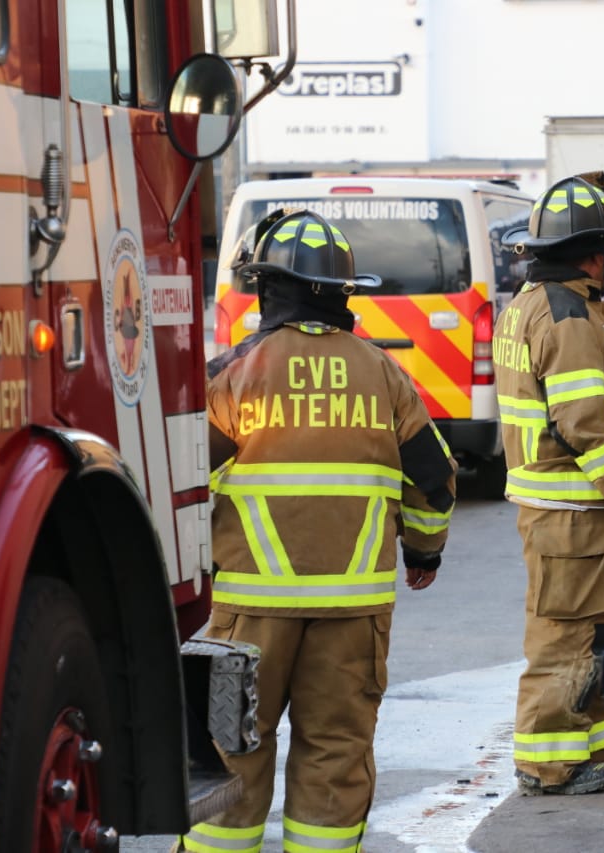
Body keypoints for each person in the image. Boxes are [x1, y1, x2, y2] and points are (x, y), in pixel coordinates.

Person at [181, 209, 458, 852]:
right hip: (352, 611)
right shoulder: (383, 373)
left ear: (266, 288)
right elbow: (434, 481)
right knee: (335, 754)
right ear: (343, 292)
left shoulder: (233, 372)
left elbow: (183, 481)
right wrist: (423, 549)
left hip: (247, 611)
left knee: (231, 752)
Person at [495, 171, 604, 796]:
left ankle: (598, 743)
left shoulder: (533, 305)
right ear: (592, 252)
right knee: (566, 637)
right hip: (568, 509)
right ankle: (550, 763)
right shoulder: (568, 316)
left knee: (599, 630)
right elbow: (581, 425)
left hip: (573, 509)